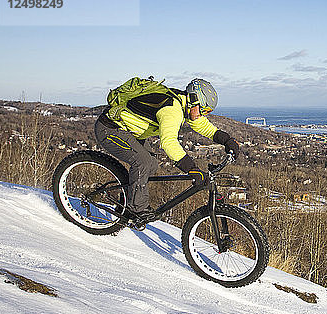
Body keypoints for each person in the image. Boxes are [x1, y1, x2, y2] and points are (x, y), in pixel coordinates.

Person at [94, 78, 239, 224]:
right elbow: (168, 142)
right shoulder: (171, 110)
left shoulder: (185, 105)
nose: (203, 115)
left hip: (131, 133)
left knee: (152, 164)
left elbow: (204, 127)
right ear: (194, 100)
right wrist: (192, 169)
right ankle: (136, 210)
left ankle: (127, 200)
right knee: (142, 162)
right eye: (203, 110)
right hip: (110, 129)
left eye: (207, 112)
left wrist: (227, 140)